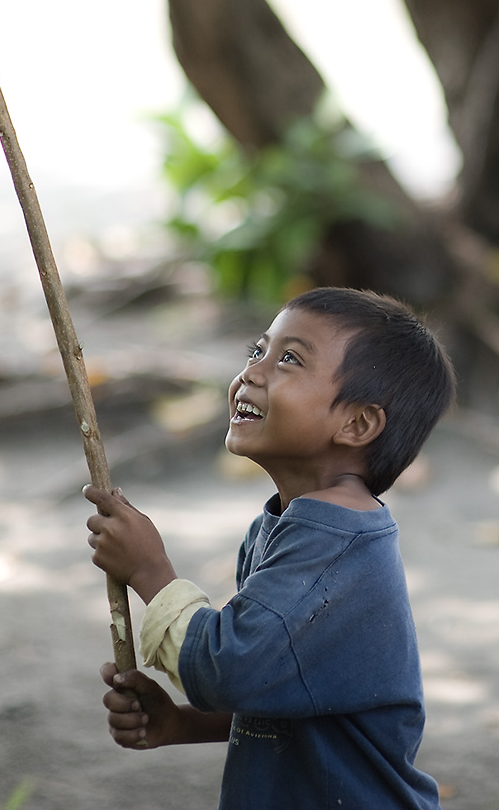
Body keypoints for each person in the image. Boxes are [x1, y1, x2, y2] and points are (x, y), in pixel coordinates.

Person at [85, 287, 455, 809]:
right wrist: (179, 724)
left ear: (357, 424)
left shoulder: (334, 543)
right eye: (257, 351)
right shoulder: (287, 524)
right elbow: (277, 683)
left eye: (289, 359)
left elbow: (229, 668)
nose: (251, 373)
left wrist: (150, 571)